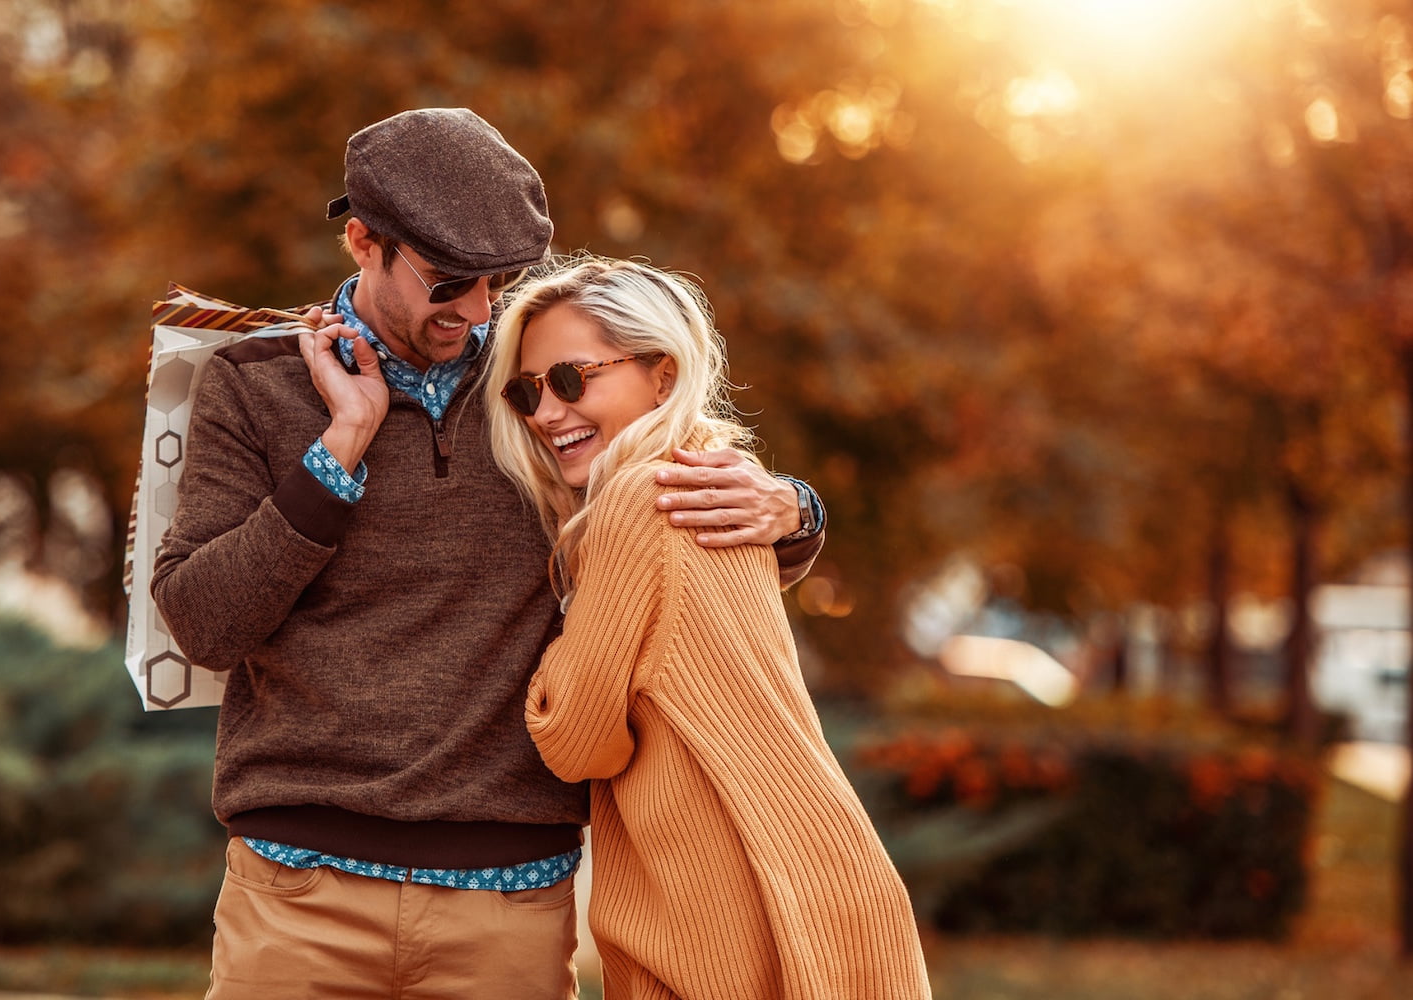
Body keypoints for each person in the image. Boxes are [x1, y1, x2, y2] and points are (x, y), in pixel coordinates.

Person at [150, 109, 826, 1000]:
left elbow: (666, 510)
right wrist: (338, 451)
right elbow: (203, 622)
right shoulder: (254, 382)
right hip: (296, 896)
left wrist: (793, 510)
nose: (475, 311)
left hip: (508, 910)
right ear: (363, 241)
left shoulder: (540, 387)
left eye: (497, 282)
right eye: (449, 282)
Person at [486, 257, 932, 1000]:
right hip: (816, 889)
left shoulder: (638, 497)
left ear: (663, 375)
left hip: (735, 923)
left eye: (572, 379)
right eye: (527, 391)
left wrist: (548, 654)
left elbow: (573, 736)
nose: (546, 413)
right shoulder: (721, 480)